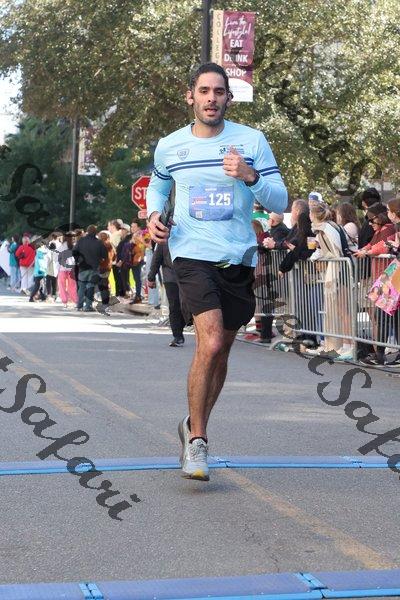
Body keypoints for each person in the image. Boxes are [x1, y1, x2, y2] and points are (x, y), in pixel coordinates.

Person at [146, 62, 287, 481]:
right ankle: (198, 441)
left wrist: (250, 175)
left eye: (219, 92)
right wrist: (153, 214)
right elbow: (159, 185)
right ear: (190, 96)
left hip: (237, 256)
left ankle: (192, 423)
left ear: (228, 98)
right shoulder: (170, 145)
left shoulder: (252, 141)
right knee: (208, 343)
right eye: (204, 91)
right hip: (190, 253)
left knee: (222, 349)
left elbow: (279, 200)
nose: (211, 99)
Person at [148, 242, 185, 346]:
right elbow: (156, 259)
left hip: (187, 277)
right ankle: (177, 336)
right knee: (174, 306)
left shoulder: (189, 237)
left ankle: (181, 328)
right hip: (171, 277)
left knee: (186, 306)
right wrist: (151, 277)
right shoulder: (163, 241)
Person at [73, 225, 107, 312]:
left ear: (87, 232)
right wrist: (99, 260)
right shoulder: (99, 242)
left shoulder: (81, 241)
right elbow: (105, 255)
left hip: (82, 267)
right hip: (94, 268)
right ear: (96, 232)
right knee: (90, 287)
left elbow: (74, 252)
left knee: (81, 286)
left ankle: (79, 305)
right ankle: (88, 306)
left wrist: (78, 261)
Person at [57, 232, 78, 308]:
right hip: (72, 269)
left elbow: (57, 258)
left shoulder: (61, 246)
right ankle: (75, 301)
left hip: (62, 268)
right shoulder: (75, 246)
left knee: (62, 285)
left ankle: (65, 301)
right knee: (72, 286)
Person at [29, 237, 48, 302]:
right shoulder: (40, 251)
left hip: (39, 270)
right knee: (38, 285)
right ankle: (31, 298)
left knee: (41, 285)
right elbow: (41, 261)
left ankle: (43, 297)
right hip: (40, 270)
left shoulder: (38, 251)